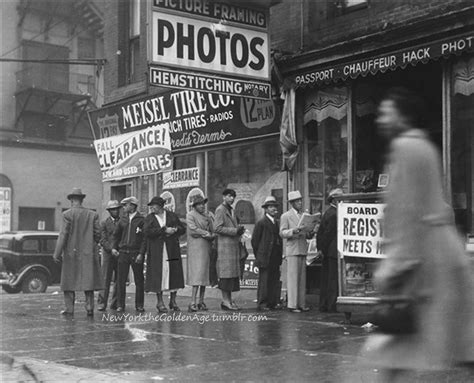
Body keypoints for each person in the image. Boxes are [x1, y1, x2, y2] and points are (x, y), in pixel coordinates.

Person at [361, 87, 474, 380]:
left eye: (387, 112)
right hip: (440, 254)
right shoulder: (424, 147)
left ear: (403, 116)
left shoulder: (405, 149)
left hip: (422, 259)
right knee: (427, 350)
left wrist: (395, 263)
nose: (380, 119)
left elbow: (406, 210)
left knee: (402, 350)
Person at [53, 188, 103, 316]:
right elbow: (98, 233)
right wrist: (92, 243)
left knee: (68, 282)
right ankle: (90, 307)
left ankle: (69, 309)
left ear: (72, 200)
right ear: (81, 200)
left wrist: (57, 253)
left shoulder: (67, 215)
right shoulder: (93, 214)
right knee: (88, 281)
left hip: (71, 253)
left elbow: (63, 235)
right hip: (88, 252)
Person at [143, 196, 185, 312]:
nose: (152, 208)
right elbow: (147, 232)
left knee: (174, 273)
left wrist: (175, 230)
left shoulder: (171, 216)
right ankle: (160, 302)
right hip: (158, 251)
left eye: (154, 206)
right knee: (159, 274)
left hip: (172, 249)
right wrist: (163, 230)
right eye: (151, 206)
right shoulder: (150, 218)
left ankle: (173, 300)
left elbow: (183, 228)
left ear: (161, 206)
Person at [280, 190, 313, 313]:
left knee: (302, 279)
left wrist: (310, 231)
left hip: (302, 248)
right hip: (293, 249)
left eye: (300, 200)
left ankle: (301, 303)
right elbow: (282, 232)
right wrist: (294, 230)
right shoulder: (286, 216)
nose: (300, 203)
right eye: (297, 201)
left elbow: (307, 235)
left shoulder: (303, 215)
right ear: (292, 203)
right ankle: (292, 305)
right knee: (293, 278)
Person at [112, 196, 145, 313]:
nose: (124, 208)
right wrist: (114, 248)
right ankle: (120, 305)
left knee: (139, 280)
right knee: (121, 280)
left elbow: (144, 239)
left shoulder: (141, 220)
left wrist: (141, 253)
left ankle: (139, 305)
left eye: (126, 205)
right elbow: (116, 235)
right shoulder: (123, 220)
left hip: (135, 252)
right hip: (123, 253)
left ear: (132, 205)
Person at [214, 188, 245, 310]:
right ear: (224, 197)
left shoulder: (230, 210)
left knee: (231, 277)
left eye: (233, 196)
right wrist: (234, 231)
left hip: (232, 248)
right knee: (226, 277)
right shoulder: (220, 210)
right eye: (229, 196)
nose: (232, 198)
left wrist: (239, 230)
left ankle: (228, 300)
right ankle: (225, 301)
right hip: (225, 248)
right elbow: (217, 228)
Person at [251, 196, 283, 311]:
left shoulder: (277, 222)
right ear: (266, 209)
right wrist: (259, 255)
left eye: (274, 206)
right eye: (270, 207)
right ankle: (262, 303)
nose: (273, 209)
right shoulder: (261, 223)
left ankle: (272, 302)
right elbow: (255, 241)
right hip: (265, 256)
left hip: (275, 256)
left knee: (274, 279)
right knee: (264, 281)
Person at [186, 195, 216, 312]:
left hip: (206, 247)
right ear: (194, 206)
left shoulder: (207, 216)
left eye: (203, 203)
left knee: (204, 275)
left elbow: (212, 230)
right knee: (196, 275)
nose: (202, 206)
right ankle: (192, 301)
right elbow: (193, 230)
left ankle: (201, 301)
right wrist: (206, 233)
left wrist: (210, 234)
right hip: (196, 247)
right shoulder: (190, 215)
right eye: (199, 204)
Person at [317, 188, 343, 313]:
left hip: (328, 250)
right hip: (332, 251)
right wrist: (323, 248)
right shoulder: (334, 214)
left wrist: (321, 249)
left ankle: (325, 304)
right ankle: (331, 304)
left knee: (327, 279)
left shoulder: (329, 212)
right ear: (334, 199)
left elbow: (322, 233)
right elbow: (327, 234)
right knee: (332, 279)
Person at [97, 200, 121, 311]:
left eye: (117, 209)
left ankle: (115, 303)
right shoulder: (104, 223)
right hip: (108, 254)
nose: (115, 211)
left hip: (120, 253)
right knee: (105, 278)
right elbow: (103, 239)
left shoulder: (123, 222)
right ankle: (102, 303)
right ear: (109, 211)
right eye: (113, 209)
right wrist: (111, 249)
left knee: (119, 278)